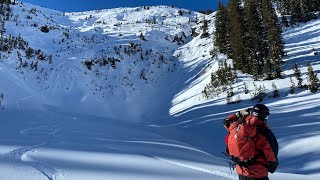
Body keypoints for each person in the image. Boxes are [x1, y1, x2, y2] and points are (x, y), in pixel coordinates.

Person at [223, 104, 279, 180]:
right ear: (263, 115)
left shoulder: (237, 126)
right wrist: (272, 166)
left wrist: (238, 114)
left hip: (242, 172)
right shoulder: (264, 132)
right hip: (258, 174)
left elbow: (226, 121)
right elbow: (271, 153)